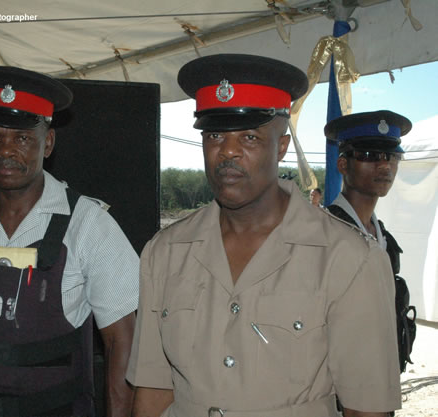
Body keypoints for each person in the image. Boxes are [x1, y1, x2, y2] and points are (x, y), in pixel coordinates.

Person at [126, 54, 401, 417]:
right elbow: (153, 389)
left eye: (250, 137)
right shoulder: (164, 253)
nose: (227, 152)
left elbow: (367, 408)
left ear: (282, 147)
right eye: (214, 135)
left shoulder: (348, 259)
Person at [0, 66, 139, 417]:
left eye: (21, 138)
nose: (6, 150)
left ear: (46, 143)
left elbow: (123, 344)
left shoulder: (89, 226)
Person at [325, 110, 416, 375]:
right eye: (370, 156)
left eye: (391, 156)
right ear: (343, 165)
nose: (385, 166)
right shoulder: (323, 237)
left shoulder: (383, 238)